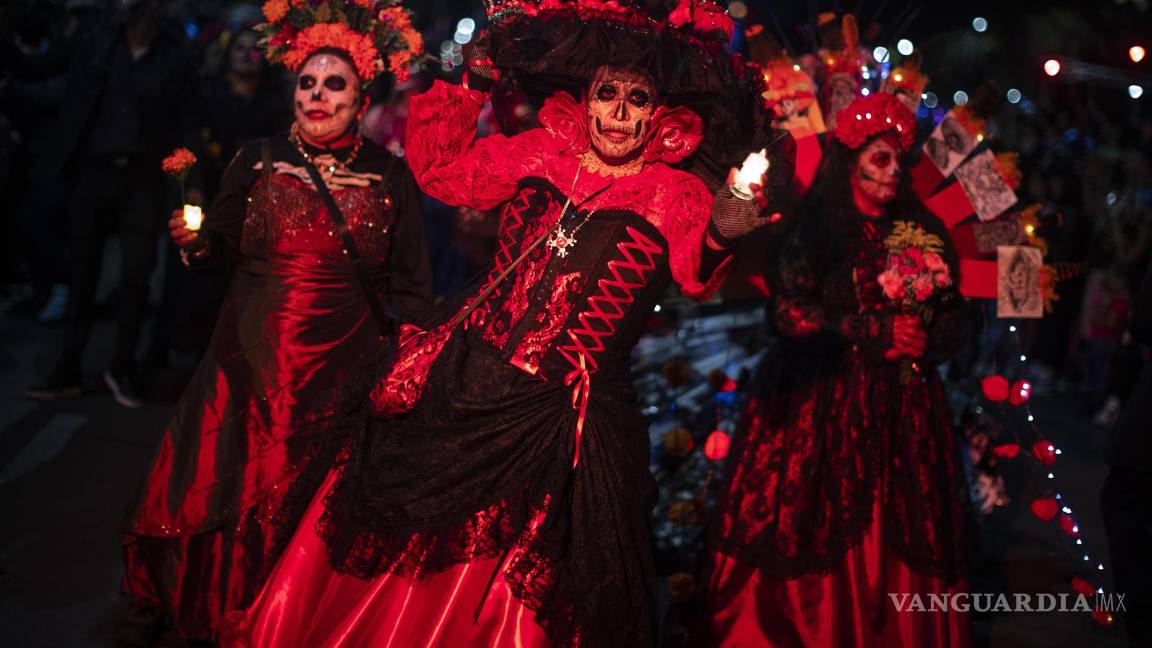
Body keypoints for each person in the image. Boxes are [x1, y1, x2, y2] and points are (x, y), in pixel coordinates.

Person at [223, 1, 792, 646]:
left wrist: (724, 229)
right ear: (587, 96)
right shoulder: (538, 152)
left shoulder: (675, 194)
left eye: (639, 100)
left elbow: (697, 270)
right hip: (471, 379)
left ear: (661, 115)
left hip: (570, 421)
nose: (621, 114)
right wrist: (473, 85)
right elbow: (441, 173)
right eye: (609, 93)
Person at [118, 3, 433, 642]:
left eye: (334, 84)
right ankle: (213, 608)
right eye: (307, 82)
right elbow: (220, 253)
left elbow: (413, 291)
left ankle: (284, 618)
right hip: (247, 364)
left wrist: (420, 366)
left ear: (361, 96)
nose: (317, 95)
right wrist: (196, 245)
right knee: (219, 487)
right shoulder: (256, 159)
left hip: (341, 375)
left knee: (309, 505)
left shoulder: (391, 175)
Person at [706, 92, 972, 647]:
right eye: (881, 158)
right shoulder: (816, 232)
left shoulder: (919, 231)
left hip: (905, 408)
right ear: (851, 162)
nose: (894, 171)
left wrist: (924, 333)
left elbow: (955, 316)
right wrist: (873, 331)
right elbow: (790, 311)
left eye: (900, 160)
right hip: (819, 406)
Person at [10, 0, 199, 407]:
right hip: (93, 173)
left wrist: (189, 182)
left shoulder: (174, 52)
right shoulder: (96, 37)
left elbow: (185, 118)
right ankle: (69, 366)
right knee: (83, 273)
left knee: (136, 276)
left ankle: (122, 366)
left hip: (142, 179)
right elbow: (40, 69)